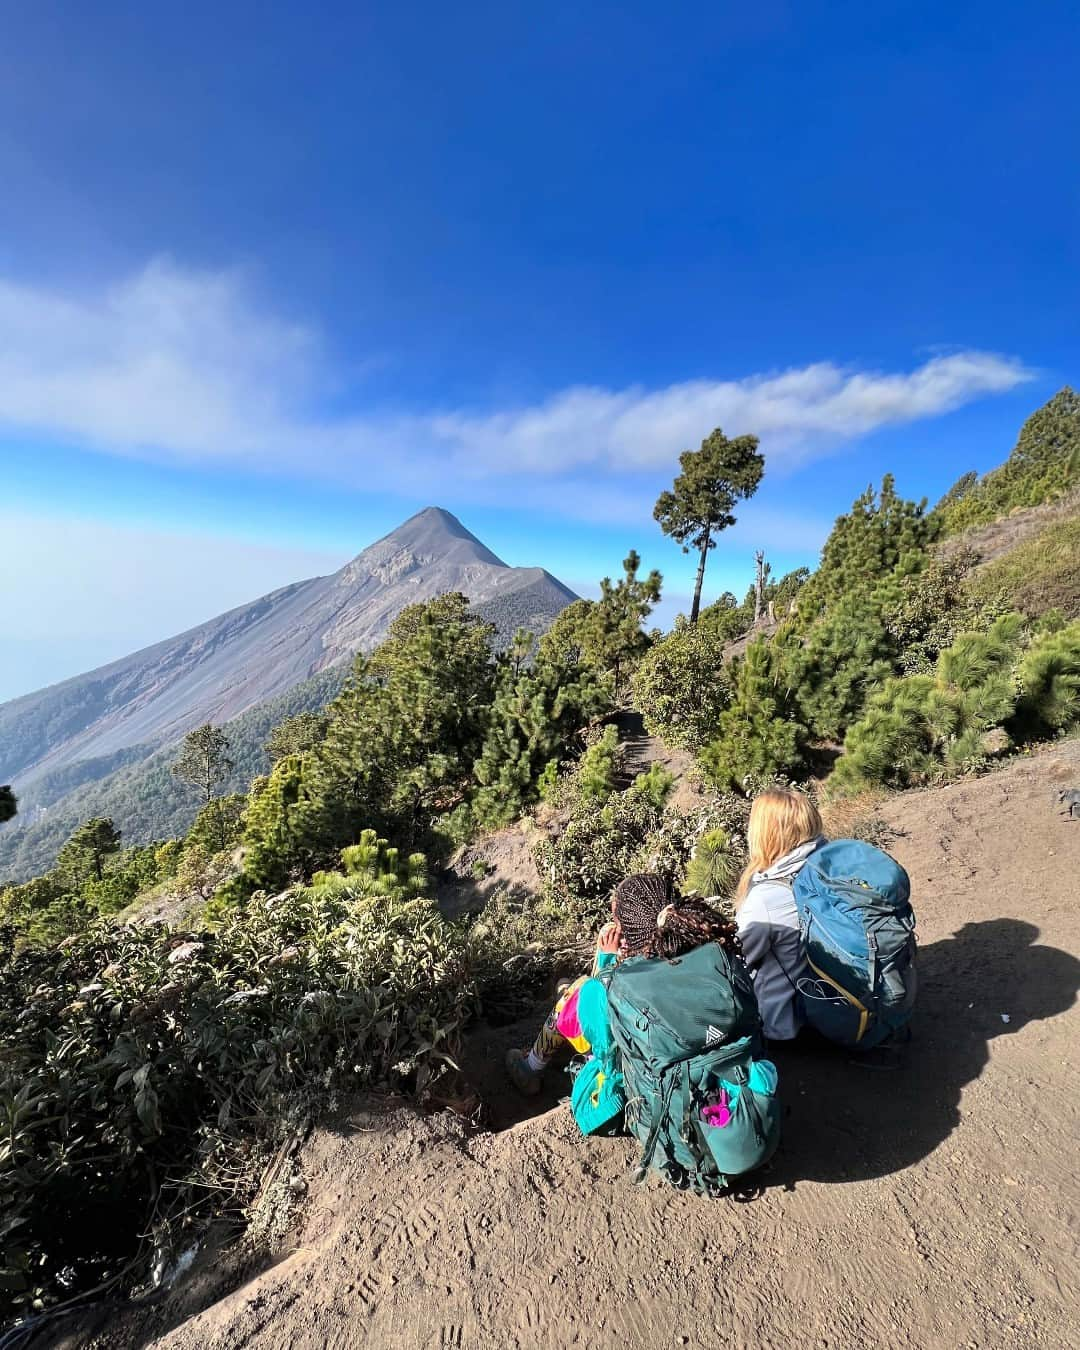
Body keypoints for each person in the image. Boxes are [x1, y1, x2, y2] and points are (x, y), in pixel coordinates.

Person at [505, 875, 745, 1113]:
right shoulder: (706, 949)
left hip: (635, 1083)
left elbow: (600, 1018)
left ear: (631, 927)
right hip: (706, 1060)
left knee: (576, 993)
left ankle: (530, 1068)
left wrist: (607, 960)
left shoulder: (620, 985)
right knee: (573, 988)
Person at [735, 786, 825, 1041]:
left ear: (767, 835)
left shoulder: (766, 900)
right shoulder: (826, 866)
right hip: (833, 1000)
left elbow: (736, 962)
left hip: (785, 1026)